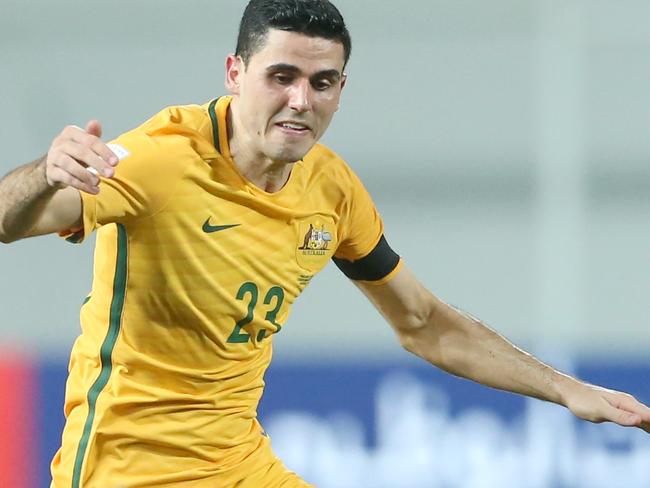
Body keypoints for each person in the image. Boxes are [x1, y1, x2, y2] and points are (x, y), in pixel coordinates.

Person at [0, 0, 648, 486]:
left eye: (322, 82)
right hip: (125, 470)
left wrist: (566, 390)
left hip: (238, 464)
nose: (299, 100)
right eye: (280, 76)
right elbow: (9, 219)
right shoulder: (156, 161)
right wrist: (42, 173)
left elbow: (423, 323)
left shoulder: (331, 191)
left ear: (342, 89)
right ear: (234, 71)